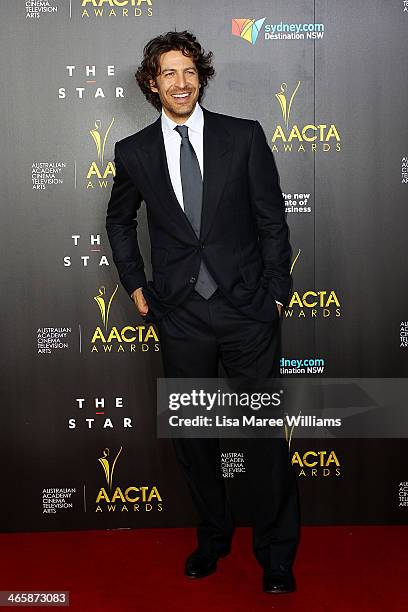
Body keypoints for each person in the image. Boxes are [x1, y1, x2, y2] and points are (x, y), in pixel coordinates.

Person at [105, 30, 300, 594]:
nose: (181, 82)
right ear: (151, 82)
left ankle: (277, 554)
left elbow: (271, 218)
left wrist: (275, 293)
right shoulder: (134, 151)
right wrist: (136, 285)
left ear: (201, 76)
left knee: (264, 434)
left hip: (247, 311)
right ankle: (213, 539)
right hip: (180, 313)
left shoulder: (242, 138)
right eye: (168, 73)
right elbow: (119, 221)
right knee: (195, 438)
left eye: (189, 70)